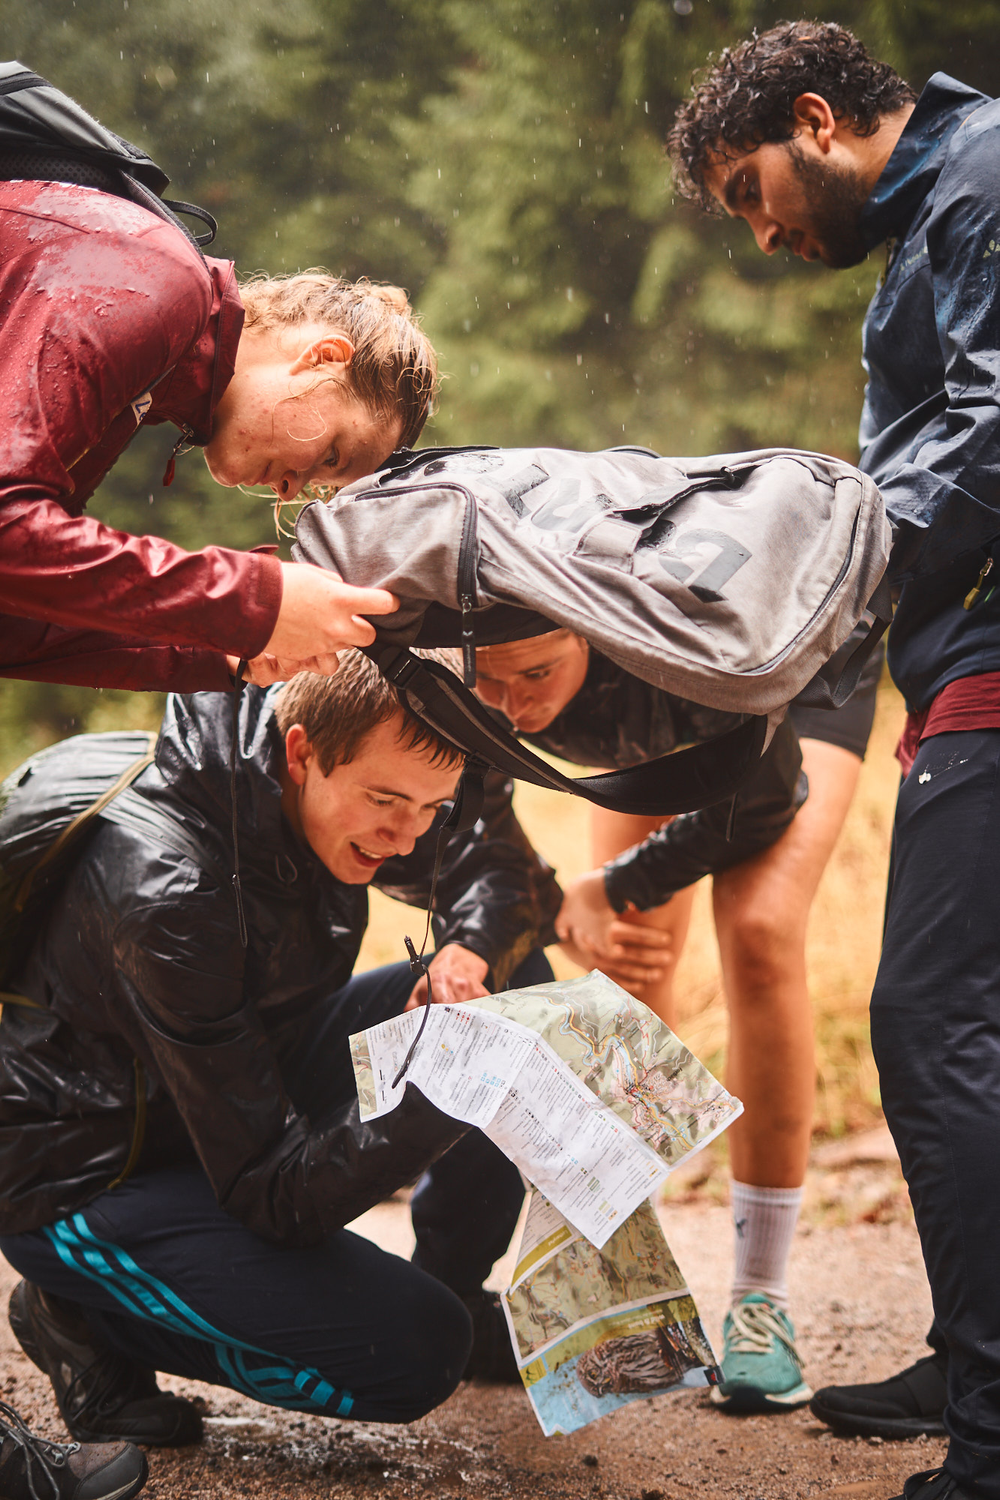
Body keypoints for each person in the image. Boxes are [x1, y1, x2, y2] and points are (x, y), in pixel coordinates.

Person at [669, 21, 1000, 1499]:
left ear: (819, 121)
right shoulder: (931, 226)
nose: (760, 233)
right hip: (956, 664)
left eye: (752, 190)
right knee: (966, 1016)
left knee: (930, 1021)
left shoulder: (987, 178)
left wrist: (829, 573)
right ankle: (975, 1349)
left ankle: (993, 1422)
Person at [0, 650, 553, 1453]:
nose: (406, 837)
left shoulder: (330, 784)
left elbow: (506, 876)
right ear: (299, 753)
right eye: (387, 801)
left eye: (434, 807)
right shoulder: (173, 894)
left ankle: (451, 1277)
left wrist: (468, 958)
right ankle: (85, 1312)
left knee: (509, 988)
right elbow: (271, 1192)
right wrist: (441, 1099)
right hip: (82, 1173)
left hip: (214, 1094)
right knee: (414, 1354)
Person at [468, 625, 881, 1413]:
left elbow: (762, 798)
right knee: (630, 957)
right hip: (648, 694)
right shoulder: (485, 645)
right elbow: (475, 815)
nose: (512, 707)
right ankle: (622, 1284)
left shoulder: (659, 641)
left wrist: (616, 880)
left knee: (759, 933)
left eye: (535, 676)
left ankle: (761, 1298)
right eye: (491, 681)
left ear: (578, 633)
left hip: (788, 683)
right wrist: (564, 897)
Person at [0, 169, 443, 691]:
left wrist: (224, 650)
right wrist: (250, 601)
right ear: (324, 358)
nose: (291, 489)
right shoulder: (160, 281)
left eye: (319, 488)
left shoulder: (152, 382)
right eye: (331, 455)